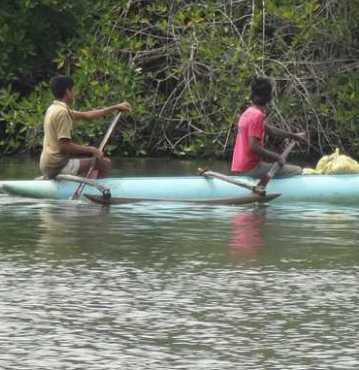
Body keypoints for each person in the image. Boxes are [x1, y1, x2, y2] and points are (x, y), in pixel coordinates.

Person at [40, 75, 131, 179]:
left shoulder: (53, 108)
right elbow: (64, 146)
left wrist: (115, 107)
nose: (75, 93)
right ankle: (100, 192)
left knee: (89, 162)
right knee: (105, 163)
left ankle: (85, 184)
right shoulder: (62, 113)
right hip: (57, 166)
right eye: (73, 90)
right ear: (68, 91)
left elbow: (86, 115)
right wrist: (91, 150)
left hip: (47, 164)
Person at [231, 77, 306, 178]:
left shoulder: (248, 112)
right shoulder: (257, 115)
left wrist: (294, 136)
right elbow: (254, 146)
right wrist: (277, 157)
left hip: (238, 168)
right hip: (250, 169)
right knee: (297, 170)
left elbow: (271, 130)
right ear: (269, 97)